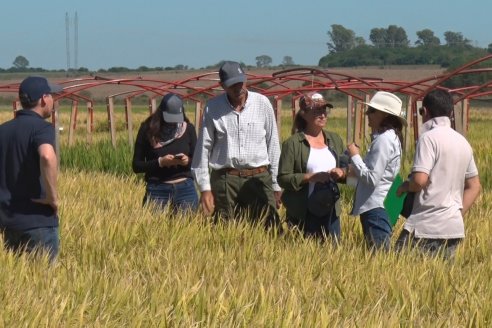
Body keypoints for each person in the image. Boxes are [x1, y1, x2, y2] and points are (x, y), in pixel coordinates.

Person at [191, 61, 281, 227]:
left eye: (241, 82)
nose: (238, 88)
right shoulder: (213, 107)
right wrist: (204, 188)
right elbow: (203, 149)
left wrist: (276, 184)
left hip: (259, 178)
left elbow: (273, 145)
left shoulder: (262, 103)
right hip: (225, 180)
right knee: (225, 232)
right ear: (222, 86)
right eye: (232, 85)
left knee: (270, 229)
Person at [395, 89, 481, 259]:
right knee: (439, 283)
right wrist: (455, 213)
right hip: (453, 228)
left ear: (425, 111)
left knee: (399, 270)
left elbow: (419, 180)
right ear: (450, 112)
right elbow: (475, 186)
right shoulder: (463, 142)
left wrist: (405, 186)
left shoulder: (428, 138)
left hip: (425, 226)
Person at [0, 76, 62, 263]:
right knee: (44, 284)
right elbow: (47, 156)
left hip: (7, 221)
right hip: (37, 221)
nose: (53, 100)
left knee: (18, 286)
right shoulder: (42, 128)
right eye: (51, 95)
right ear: (44, 98)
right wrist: (52, 198)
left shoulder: (3, 130)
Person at [278, 92, 346, 241]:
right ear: (304, 114)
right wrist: (311, 177)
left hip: (331, 211)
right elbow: (283, 178)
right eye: (317, 111)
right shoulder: (293, 144)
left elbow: (348, 171)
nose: (322, 115)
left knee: (333, 253)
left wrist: (341, 173)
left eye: (324, 110)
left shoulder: (334, 140)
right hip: (303, 212)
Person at [347, 91, 406, 250]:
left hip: (376, 208)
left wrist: (355, 156)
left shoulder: (384, 140)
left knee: (379, 256)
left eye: (372, 111)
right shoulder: (391, 137)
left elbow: (372, 178)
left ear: (385, 115)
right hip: (382, 206)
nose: (367, 114)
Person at [132, 93, 198, 212]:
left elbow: (198, 162)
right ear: (161, 113)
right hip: (157, 190)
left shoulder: (189, 129)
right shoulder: (147, 130)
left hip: (185, 190)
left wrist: (187, 161)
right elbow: (136, 166)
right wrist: (160, 162)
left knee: (188, 227)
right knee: (153, 229)